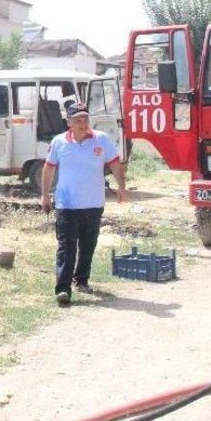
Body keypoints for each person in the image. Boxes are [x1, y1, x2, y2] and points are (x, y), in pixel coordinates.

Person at [40, 103, 127, 305]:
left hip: (93, 203)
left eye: (85, 119)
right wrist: (44, 195)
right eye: (77, 120)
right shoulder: (59, 142)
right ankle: (63, 289)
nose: (82, 123)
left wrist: (121, 187)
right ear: (69, 123)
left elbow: (115, 162)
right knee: (66, 247)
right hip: (66, 204)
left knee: (88, 245)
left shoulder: (101, 139)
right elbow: (48, 168)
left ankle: (82, 280)